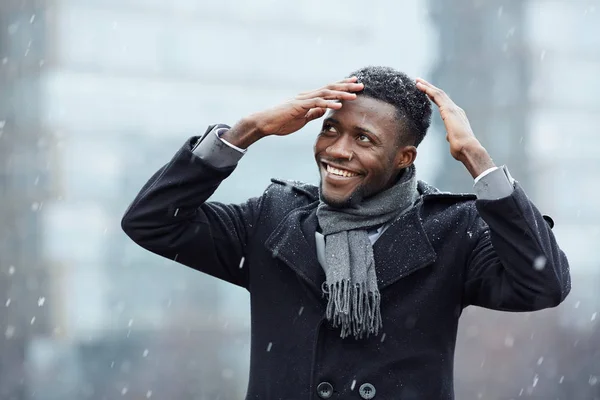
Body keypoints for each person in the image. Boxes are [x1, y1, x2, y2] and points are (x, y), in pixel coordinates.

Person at [121, 66, 571, 400]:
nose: (338, 150)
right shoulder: (273, 219)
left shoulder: (452, 230)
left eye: (364, 139)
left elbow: (543, 283)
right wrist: (246, 131)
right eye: (330, 130)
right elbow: (154, 220)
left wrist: (477, 160)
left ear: (404, 158)